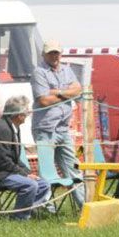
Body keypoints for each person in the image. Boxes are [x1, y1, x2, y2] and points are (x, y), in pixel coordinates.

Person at [31, 39, 84, 208]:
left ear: (60, 54)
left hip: (63, 128)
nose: (54, 56)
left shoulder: (67, 70)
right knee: (46, 171)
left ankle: (84, 205)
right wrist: (67, 93)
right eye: (51, 53)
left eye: (57, 52)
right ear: (44, 54)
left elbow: (79, 90)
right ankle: (45, 207)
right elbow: (44, 101)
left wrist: (57, 92)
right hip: (45, 129)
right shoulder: (39, 72)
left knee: (74, 168)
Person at [0, 96, 51, 221]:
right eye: (26, 112)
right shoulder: (2, 128)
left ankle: (27, 210)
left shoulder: (13, 127)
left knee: (43, 184)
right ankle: (20, 218)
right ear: (19, 115)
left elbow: (14, 158)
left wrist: (28, 172)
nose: (27, 114)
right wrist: (26, 175)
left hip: (6, 171)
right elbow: (2, 161)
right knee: (30, 185)